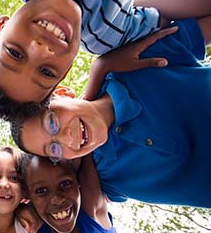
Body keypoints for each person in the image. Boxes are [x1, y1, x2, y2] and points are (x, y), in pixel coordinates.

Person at [11, 14, 211, 208]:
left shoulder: (136, 62)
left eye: (52, 123)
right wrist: (100, 68)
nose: (67, 139)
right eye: (54, 149)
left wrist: (102, 66)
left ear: (62, 93)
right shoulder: (103, 178)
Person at [0, 0, 211, 121]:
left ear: (0, 27)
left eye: (14, 53)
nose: (41, 50)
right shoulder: (107, 34)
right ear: (66, 69)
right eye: (47, 72)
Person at [17, 154, 130, 233]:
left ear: (77, 181)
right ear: (27, 194)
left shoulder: (90, 204)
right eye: (41, 190)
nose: (57, 199)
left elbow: (86, 150)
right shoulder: (34, 225)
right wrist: (20, 209)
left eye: (65, 183)